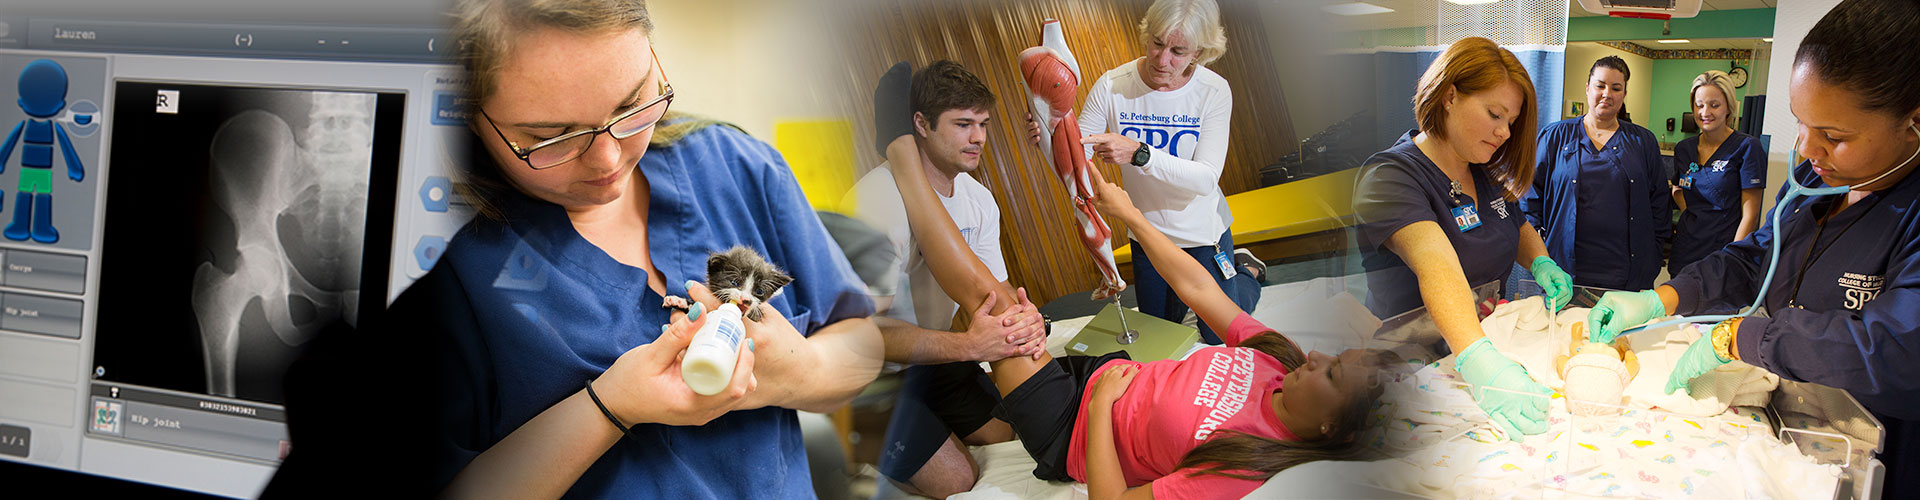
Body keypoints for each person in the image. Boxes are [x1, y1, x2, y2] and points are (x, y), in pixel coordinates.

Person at [298, 1, 884, 497]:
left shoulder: (731, 165)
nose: (609, 161)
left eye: (631, 106)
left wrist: (801, 373)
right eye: (551, 136)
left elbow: (860, 338)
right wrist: (609, 407)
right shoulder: (443, 263)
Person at [882, 132, 1391, 500]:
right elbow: (1195, 285)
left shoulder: (1245, 465)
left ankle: (904, 159)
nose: (1318, 356)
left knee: (995, 309)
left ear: (1329, 428)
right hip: (1098, 372)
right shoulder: (1280, 357)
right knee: (999, 389)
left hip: (1073, 427)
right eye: (1334, 356)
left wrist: (1102, 407)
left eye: (1332, 371)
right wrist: (1129, 217)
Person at [1585, 0, 1920, 495]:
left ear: (1913, 121)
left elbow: (1897, 349)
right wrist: (1664, 299)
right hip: (1793, 422)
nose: (1805, 149)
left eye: (1832, 135)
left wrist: (1742, 337)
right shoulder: (1813, 181)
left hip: (1878, 450)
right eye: (1799, 123)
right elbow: (1755, 257)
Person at [844, 60, 1047, 498]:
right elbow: (860, 332)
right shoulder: (875, 202)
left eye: (983, 124)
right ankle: (850, 435)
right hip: (867, 375)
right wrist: (968, 347)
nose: (978, 138)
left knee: (1006, 435)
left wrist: (1027, 316)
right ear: (921, 124)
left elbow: (993, 290)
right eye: (962, 124)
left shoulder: (978, 200)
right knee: (957, 479)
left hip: (932, 357)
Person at [1352, 36, 1570, 440]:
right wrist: (1478, 358)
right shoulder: (1389, 176)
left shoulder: (1482, 173)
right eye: (1494, 114)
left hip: (1479, 349)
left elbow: (1516, 226)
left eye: (1511, 122)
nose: (1505, 132)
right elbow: (1437, 263)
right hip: (1410, 370)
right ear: (1450, 96)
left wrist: (1541, 261)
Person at [1030, 0, 1247, 344]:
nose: (1162, 60)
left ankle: (1246, 272)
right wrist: (1051, 137)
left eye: (1178, 51)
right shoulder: (1113, 85)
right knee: (1161, 335)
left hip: (1203, 234)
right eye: (1157, 43)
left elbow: (1206, 178)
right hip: (1147, 234)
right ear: (1147, 35)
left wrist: (1140, 153)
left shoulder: (1214, 90)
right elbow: (1077, 156)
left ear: (1199, 52)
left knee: (1219, 335)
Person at [1523, 56, 1671, 291]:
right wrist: (1540, 251)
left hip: (1625, 270)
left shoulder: (1642, 141)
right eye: (1600, 85)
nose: (1607, 94)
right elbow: (1530, 198)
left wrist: (1653, 254)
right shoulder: (1555, 136)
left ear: (1624, 94)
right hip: (1563, 266)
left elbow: (1660, 202)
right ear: (1588, 88)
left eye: (1616, 88)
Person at [1668, 70, 1767, 276]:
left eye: (1714, 105)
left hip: (1722, 250)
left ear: (1729, 107)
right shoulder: (1684, 149)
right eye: (1699, 105)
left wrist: (1733, 259)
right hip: (1686, 248)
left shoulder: (1747, 147)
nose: (1705, 112)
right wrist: (1692, 215)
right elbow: (1677, 187)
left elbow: (1751, 214)